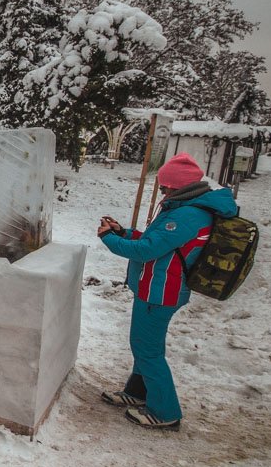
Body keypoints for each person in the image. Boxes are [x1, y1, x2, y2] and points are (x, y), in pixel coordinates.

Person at [96, 152, 239, 430]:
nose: (161, 190)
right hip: (154, 288)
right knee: (144, 346)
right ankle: (138, 393)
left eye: (163, 186)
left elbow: (148, 250)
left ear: (176, 186)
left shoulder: (187, 214)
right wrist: (123, 231)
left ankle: (165, 411)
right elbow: (155, 242)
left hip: (161, 292)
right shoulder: (183, 208)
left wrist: (108, 238)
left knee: (148, 351)